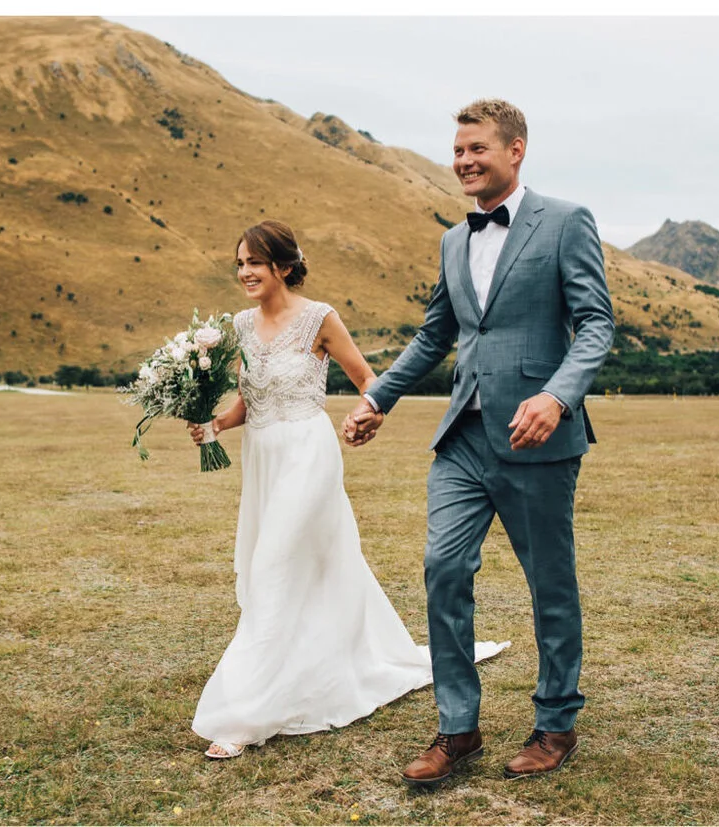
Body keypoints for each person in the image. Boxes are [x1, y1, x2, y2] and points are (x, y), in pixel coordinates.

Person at [343, 98, 612, 786]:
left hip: (537, 437)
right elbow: (437, 333)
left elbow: (595, 324)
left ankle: (556, 722)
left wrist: (557, 395)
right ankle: (457, 727)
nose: (463, 161)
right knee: (442, 566)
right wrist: (379, 396)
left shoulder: (566, 221)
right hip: (463, 434)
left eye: (477, 149)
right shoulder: (452, 239)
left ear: (515, 149)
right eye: (457, 150)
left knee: (549, 583)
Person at [186, 221, 509, 760]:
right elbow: (249, 400)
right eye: (239, 263)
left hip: (308, 454)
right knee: (301, 568)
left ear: (283, 267)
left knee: (271, 567)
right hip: (262, 458)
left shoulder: (320, 318)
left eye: (254, 263)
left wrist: (367, 414)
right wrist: (213, 427)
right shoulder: (239, 326)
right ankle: (311, 664)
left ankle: (241, 715)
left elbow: (368, 379)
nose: (244, 272)